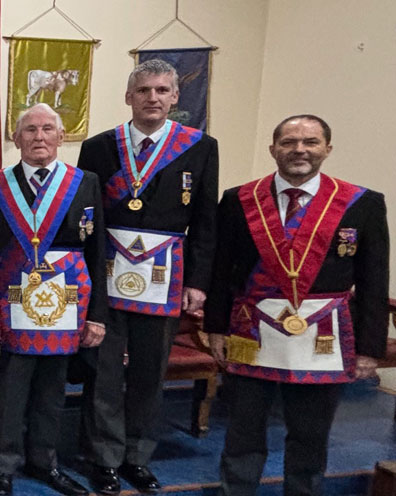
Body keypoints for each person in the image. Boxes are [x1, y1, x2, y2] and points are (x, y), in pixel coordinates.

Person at [206, 114, 387, 496]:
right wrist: (216, 327)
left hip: (323, 337)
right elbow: (221, 269)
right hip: (249, 332)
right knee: (242, 432)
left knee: (310, 436)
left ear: (327, 149)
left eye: (310, 142)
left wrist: (370, 349)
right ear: (273, 149)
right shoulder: (239, 199)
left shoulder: (362, 204)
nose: (299, 150)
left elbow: (374, 280)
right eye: (289, 142)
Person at [75, 59, 219, 495]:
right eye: (143, 90)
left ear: (175, 97)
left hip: (164, 276)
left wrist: (198, 282)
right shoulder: (99, 146)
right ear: (128, 96)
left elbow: (205, 220)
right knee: (102, 371)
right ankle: (103, 458)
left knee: (148, 372)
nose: (152, 98)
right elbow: (86, 216)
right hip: (107, 272)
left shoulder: (200, 146)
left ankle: (137, 456)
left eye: (161, 90)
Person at [0, 103, 106, 496]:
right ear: (16, 139)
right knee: (12, 388)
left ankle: (45, 462)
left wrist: (97, 315)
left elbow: (97, 250)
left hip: (66, 303)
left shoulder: (85, 182)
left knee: (52, 389)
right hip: (11, 301)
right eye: (29, 130)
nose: (39, 137)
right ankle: (3, 465)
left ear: (61, 137)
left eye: (48, 129)